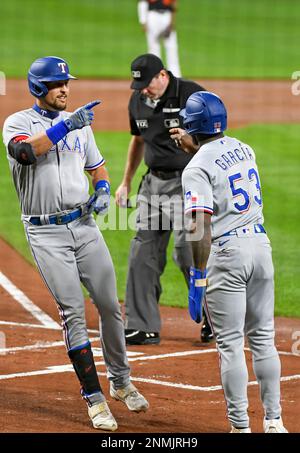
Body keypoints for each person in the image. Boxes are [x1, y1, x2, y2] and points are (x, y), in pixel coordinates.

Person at [2, 56, 149, 432]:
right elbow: (24, 152)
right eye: (56, 84)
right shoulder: (17, 123)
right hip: (46, 234)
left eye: (66, 82)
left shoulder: (81, 125)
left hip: (84, 227)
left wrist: (101, 187)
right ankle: (94, 399)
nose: (64, 89)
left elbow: (96, 165)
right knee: (73, 314)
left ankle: (120, 382)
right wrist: (67, 125)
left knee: (110, 308)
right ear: (39, 88)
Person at [178, 90, 288, 433]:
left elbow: (200, 226)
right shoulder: (245, 148)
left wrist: (197, 277)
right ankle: (274, 422)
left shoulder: (194, 168)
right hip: (261, 247)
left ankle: (240, 427)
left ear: (191, 128)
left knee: (229, 344)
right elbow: (219, 162)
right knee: (263, 340)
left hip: (227, 254)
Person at [115, 53, 213, 345]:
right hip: (153, 183)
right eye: (139, 85)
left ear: (163, 75)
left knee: (188, 251)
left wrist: (191, 143)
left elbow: (214, 139)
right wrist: (126, 181)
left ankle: (215, 317)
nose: (144, 90)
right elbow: (138, 140)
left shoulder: (191, 94)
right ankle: (141, 325)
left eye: (147, 83)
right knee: (142, 251)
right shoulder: (138, 101)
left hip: (190, 183)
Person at [137, 0, 181, 77]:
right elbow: (142, 3)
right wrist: (143, 21)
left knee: (172, 47)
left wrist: (172, 22)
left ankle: (176, 76)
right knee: (153, 48)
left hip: (167, 15)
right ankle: (155, 75)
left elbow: (174, 4)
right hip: (152, 16)